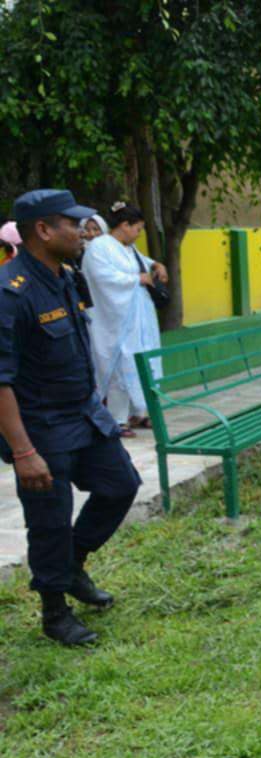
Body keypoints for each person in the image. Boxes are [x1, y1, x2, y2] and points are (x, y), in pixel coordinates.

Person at [0, 190, 141, 645]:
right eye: (72, 223)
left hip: (83, 414)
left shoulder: (65, 276)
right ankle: (55, 612)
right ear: (43, 230)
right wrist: (23, 451)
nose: (83, 231)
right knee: (50, 521)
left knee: (121, 485)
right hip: (40, 428)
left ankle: (72, 563)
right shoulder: (11, 292)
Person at [82, 202, 168, 436]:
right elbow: (103, 277)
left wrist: (157, 265)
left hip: (137, 321)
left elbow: (143, 263)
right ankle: (117, 419)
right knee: (120, 366)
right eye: (137, 229)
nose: (139, 234)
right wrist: (138, 279)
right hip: (115, 321)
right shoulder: (99, 247)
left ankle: (137, 413)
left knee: (140, 364)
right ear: (124, 225)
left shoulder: (127, 247)